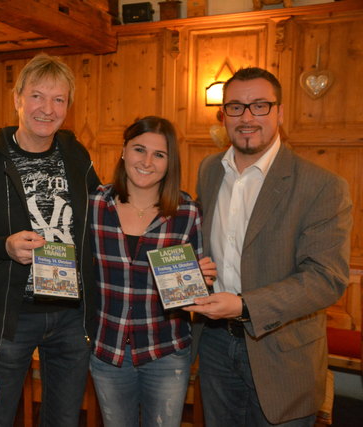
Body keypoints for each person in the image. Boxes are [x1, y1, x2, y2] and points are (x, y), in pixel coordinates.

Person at [184, 67, 352, 426]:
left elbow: (326, 278)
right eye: (236, 107)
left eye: (260, 106)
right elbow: (204, 241)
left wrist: (245, 306)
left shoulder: (322, 185)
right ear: (222, 114)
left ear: (279, 113)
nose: (247, 117)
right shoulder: (210, 169)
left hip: (282, 352)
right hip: (214, 345)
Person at [0, 53, 100, 426]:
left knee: (65, 419)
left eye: (58, 99)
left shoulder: (76, 154)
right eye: (37, 96)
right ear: (17, 98)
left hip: (71, 314)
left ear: (68, 106)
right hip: (10, 316)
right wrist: (3, 246)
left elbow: (103, 216)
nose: (47, 109)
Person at [89, 116, 216, 427]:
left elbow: (201, 292)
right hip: (107, 350)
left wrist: (203, 277)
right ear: (123, 151)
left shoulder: (187, 212)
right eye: (139, 149)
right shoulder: (94, 204)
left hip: (166, 351)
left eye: (159, 155)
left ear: (170, 162)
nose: (147, 162)